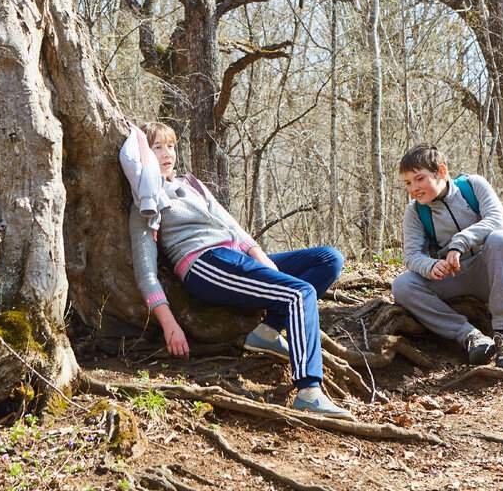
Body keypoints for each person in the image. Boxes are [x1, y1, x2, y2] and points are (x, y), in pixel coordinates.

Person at [121, 122, 352, 418]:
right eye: (157, 147)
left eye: (171, 146)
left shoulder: (191, 183)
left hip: (238, 257)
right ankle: (309, 391)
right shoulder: (146, 203)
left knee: (328, 259)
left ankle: (267, 332)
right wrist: (169, 323)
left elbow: (233, 227)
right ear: (144, 156)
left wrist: (262, 259)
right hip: (207, 265)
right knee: (299, 293)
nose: (167, 154)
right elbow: (146, 273)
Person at [390, 144, 503, 369]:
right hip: (453, 278)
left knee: (502, 239)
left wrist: (459, 243)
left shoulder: (473, 186)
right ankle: (470, 336)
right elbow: (412, 255)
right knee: (402, 285)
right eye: (408, 183)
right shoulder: (415, 211)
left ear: (441, 171)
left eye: (419, 179)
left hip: (489, 270)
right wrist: (431, 266)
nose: (414, 188)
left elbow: (496, 220)